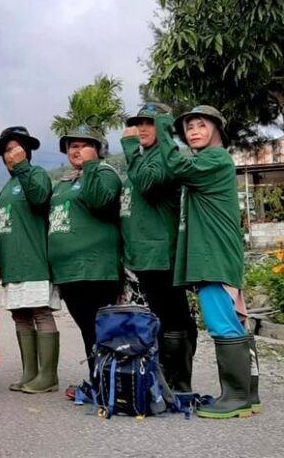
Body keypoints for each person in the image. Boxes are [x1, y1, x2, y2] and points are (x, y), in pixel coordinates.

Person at [155, 106, 259, 418]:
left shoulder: (214, 159)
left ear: (216, 129)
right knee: (235, 321)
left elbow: (173, 164)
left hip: (213, 256)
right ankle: (248, 396)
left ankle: (236, 397)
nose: (193, 131)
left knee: (221, 323)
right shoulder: (206, 161)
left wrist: (162, 125)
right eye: (188, 128)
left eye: (201, 125)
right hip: (215, 254)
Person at [120, 103, 197, 394]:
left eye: (149, 123)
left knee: (173, 316)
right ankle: (168, 376)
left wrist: (128, 148)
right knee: (164, 315)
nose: (141, 129)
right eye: (138, 123)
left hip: (161, 254)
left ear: (163, 127)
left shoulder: (165, 156)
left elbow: (149, 184)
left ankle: (177, 382)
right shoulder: (141, 159)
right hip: (143, 255)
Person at [48, 126, 122, 397]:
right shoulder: (64, 182)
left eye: (83, 145)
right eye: (72, 146)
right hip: (69, 272)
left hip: (96, 269)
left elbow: (99, 201)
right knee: (88, 330)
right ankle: (99, 381)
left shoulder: (105, 173)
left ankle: (109, 383)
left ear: (98, 149)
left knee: (99, 329)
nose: (76, 150)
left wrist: (90, 166)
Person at [0, 126, 59, 393]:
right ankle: (29, 372)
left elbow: (40, 197)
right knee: (20, 316)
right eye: (7, 151)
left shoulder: (37, 175)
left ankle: (48, 376)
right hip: (12, 264)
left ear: (26, 151)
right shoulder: (6, 188)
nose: (11, 154)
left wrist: (23, 167)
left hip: (35, 261)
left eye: (16, 149)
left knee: (41, 314)